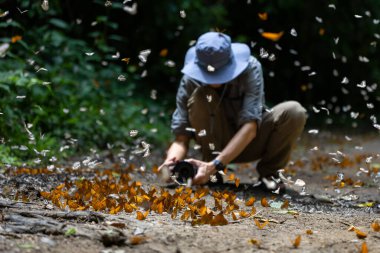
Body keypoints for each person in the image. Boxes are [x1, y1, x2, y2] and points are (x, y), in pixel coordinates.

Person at [158, 31, 307, 192]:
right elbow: (181, 138)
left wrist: (214, 165)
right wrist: (171, 163)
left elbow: (250, 127)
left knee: (294, 111)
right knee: (202, 95)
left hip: (251, 140)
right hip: (214, 145)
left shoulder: (250, 68)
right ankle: (213, 175)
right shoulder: (190, 80)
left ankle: (269, 175)